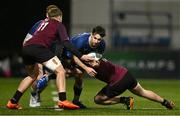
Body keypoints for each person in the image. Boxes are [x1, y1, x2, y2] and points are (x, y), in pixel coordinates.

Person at [6, 5, 93, 110]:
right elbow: (66, 42)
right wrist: (81, 55)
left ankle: (13, 101)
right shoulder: (59, 24)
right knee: (60, 71)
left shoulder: (42, 23)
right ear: (60, 16)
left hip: (26, 48)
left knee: (32, 76)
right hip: (39, 48)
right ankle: (63, 100)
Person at [29, 26, 106, 108]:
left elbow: (97, 58)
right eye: (95, 38)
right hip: (64, 54)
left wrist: (95, 63)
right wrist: (86, 68)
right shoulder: (81, 41)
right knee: (61, 73)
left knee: (79, 75)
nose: (97, 41)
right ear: (91, 34)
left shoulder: (102, 44)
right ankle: (35, 94)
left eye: (99, 39)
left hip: (80, 57)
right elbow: (73, 57)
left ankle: (76, 101)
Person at [84, 55, 175, 110]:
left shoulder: (95, 65)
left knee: (98, 99)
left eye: (96, 60)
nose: (95, 61)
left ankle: (125, 100)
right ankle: (165, 102)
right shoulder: (97, 61)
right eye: (93, 60)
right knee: (143, 92)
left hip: (118, 81)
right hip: (127, 75)